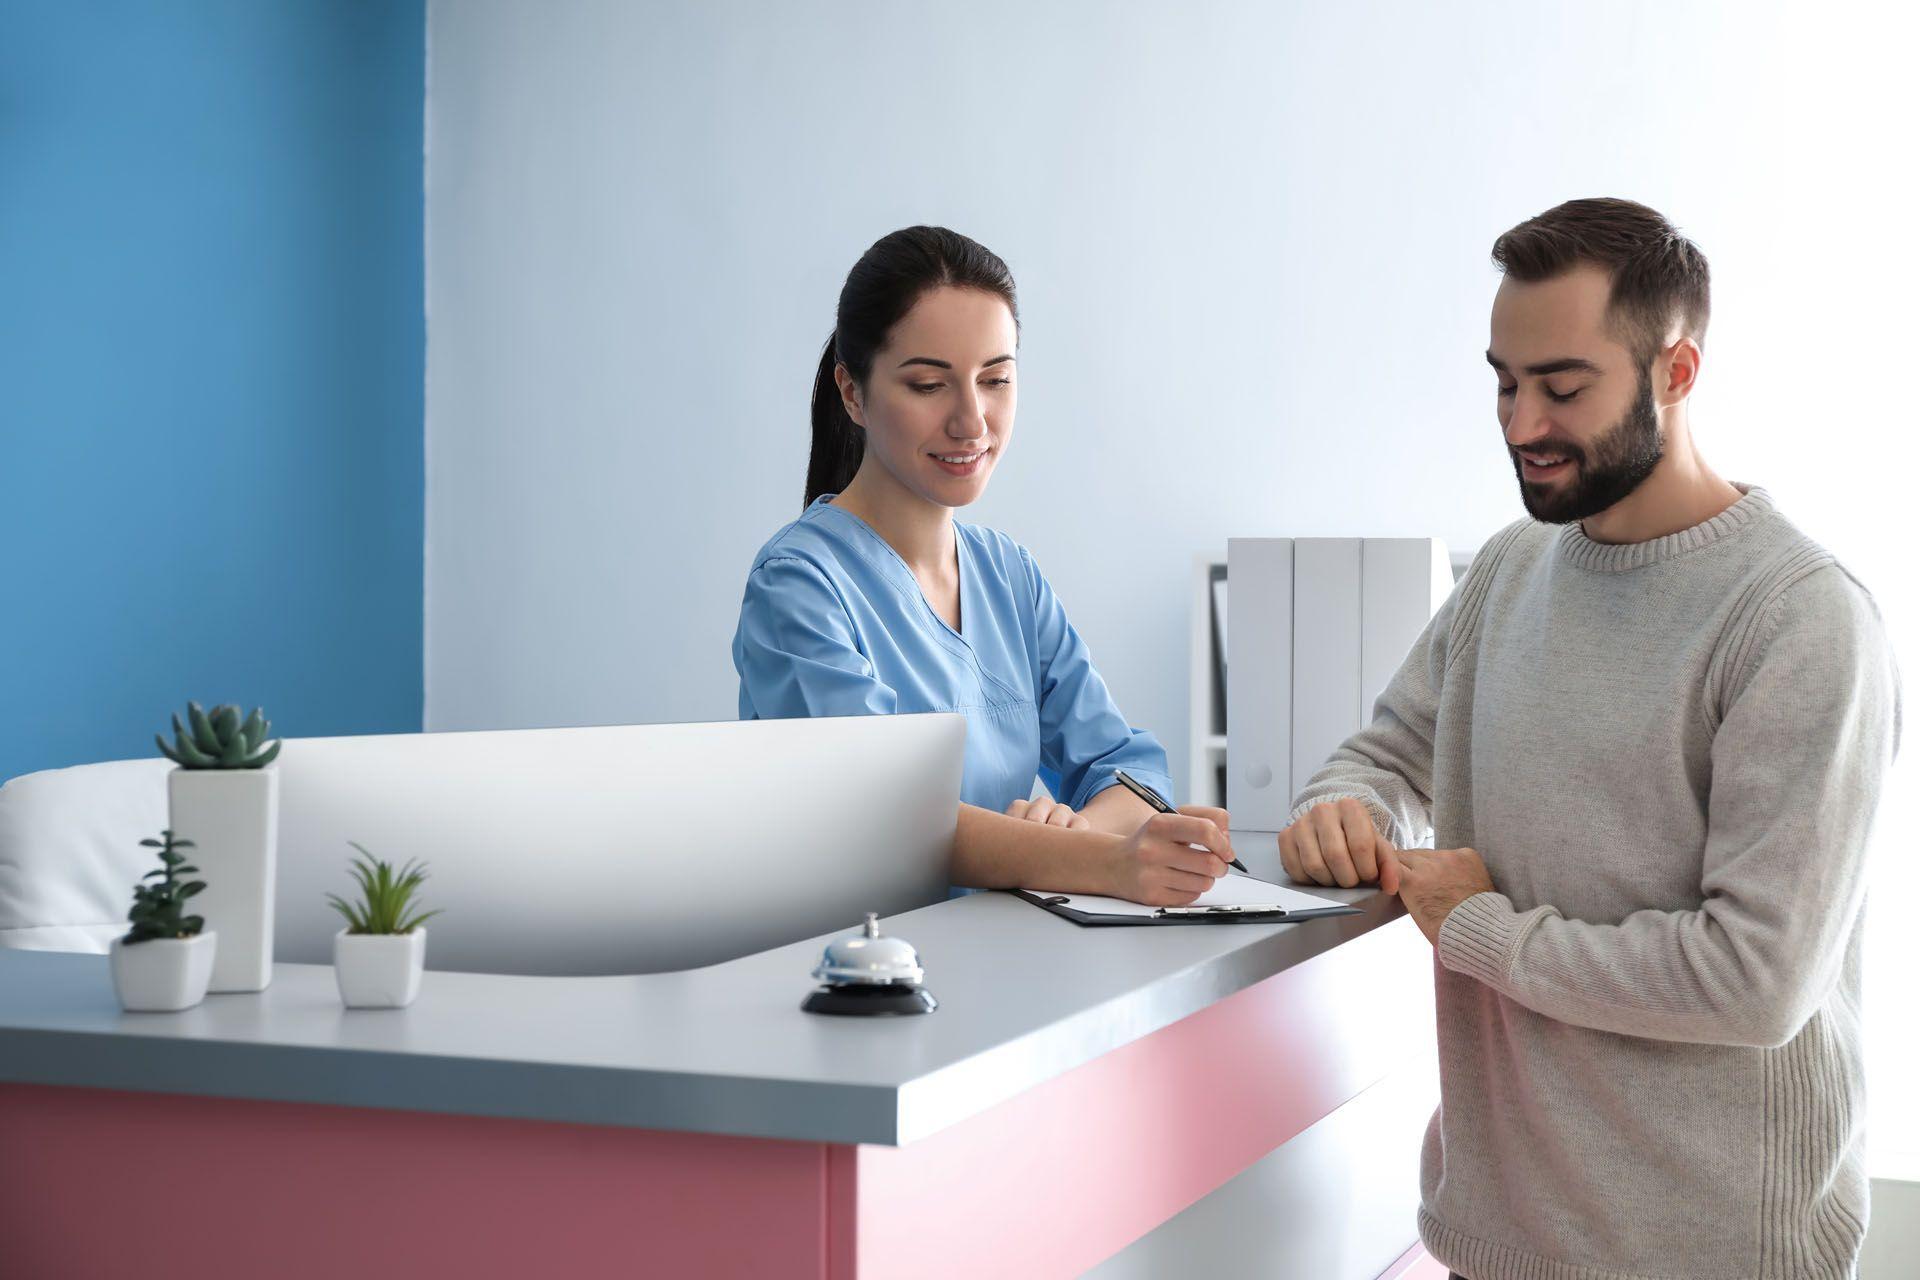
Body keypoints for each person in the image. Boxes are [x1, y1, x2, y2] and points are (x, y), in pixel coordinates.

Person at [1279, 198, 1900, 1279]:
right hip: (1500, 1237)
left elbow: (1755, 977)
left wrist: (1477, 927)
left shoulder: (1800, 619)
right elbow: (1386, 752)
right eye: (1505, 383)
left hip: (1713, 1256)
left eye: (1563, 387)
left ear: (1678, 370)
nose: (1521, 424)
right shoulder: (1512, 571)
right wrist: (1347, 808)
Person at [734, 225, 1231, 906]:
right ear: (853, 393)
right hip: (855, 979)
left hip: (997, 964)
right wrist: (1095, 861)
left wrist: (1072, 832)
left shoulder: (1010, 577)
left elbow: (1127, 768)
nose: (972, 422)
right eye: (929, 384)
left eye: (996, 379)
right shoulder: (798, 586)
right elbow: (887, 815)